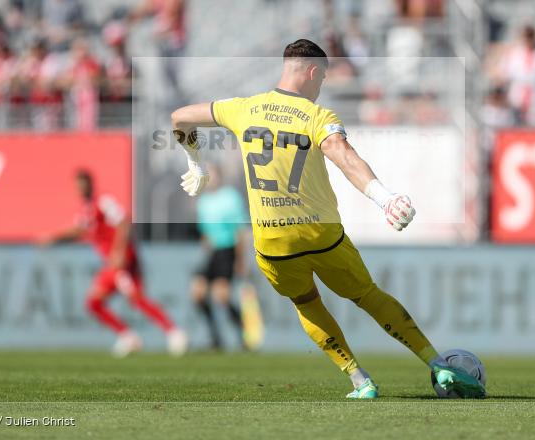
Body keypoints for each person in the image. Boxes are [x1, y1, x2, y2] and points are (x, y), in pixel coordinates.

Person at [170, 39, 486, 400]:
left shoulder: (243, 108)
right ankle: (437, 365)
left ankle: (359, 380)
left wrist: (194, 163)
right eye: (322, 79)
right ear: (312, 71)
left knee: (306, 303)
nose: (321, 87)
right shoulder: (315, 116)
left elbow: (179, 117)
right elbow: (343, 155)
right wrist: (385, 198)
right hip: (320, 233)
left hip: (273, 241)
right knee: (368, 296)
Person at [40, 169, 188, 357]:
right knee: (94, 303)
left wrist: (119, 251)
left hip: (122, 259)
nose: (80, 188)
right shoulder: (86, 210)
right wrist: (52, 239)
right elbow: (78, 231)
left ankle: (174, 332)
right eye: (77, 185)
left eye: (82, 184)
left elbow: (124, 221)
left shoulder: (103, 201)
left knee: (136, 298)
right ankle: (128, 337)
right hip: (111, 264)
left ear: (90, 184)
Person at [191, 162, 249, 350]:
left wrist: (240, 260)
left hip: (228, 250)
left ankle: (243, 333)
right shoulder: (203, 201)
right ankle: (215, 338)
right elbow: (205, 233)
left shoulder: (230, 197)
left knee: (221, 297)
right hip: (213, 253)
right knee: (198, 294)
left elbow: (240, 231)